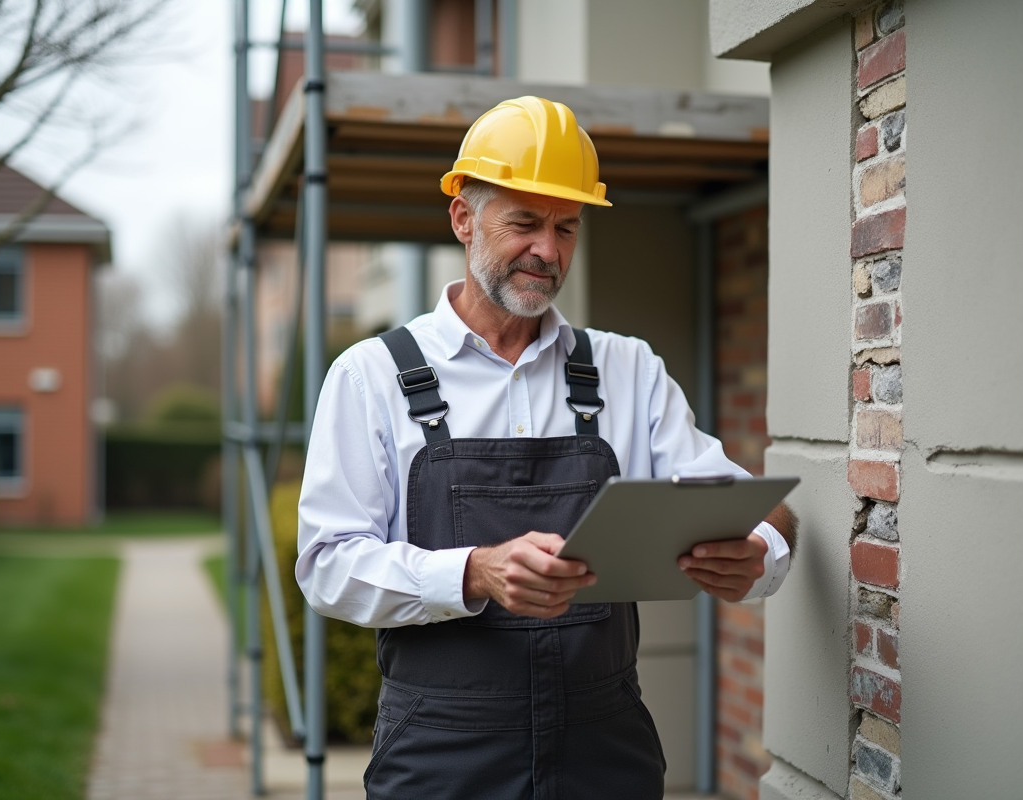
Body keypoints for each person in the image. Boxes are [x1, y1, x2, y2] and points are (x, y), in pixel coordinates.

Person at [296, 96, 796, 800]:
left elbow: (754, 509)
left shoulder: (628, 370)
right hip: (442, 753)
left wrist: (760, 552)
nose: (549, 250)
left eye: (567, 226)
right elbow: (326, 564)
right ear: (462, 218)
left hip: (606, 748)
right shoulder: (371, 376)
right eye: (524, 222)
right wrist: (472, 572)